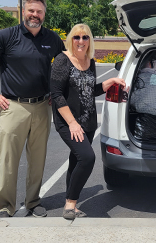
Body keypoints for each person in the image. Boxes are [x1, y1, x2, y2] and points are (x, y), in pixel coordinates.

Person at [0, 0, 65, 218]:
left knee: (38, 160)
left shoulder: (52, 39)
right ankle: (4, 206)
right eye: (31, 10)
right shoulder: (6, 36)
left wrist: (56, 92)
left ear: (44, 15)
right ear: (24, 12)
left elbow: (63, 65)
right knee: (8, 160)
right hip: (13, 107)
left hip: (42, 106)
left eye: (39, 12)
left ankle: (32, 202)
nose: (35, 15)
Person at [50, 24, 126, 220]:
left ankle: (70, 201)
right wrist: (72, 123)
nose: (81, 41)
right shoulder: (62, 60)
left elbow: (90, 90)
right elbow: (57, 95)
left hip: (88, 121)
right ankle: (70, 203)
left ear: (90, 40)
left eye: (85, 37)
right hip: (69, 122)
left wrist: (109, 82)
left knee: (76, 160)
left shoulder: (90, 61)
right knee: (87, 157)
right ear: (71, 39)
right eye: (77, 37)